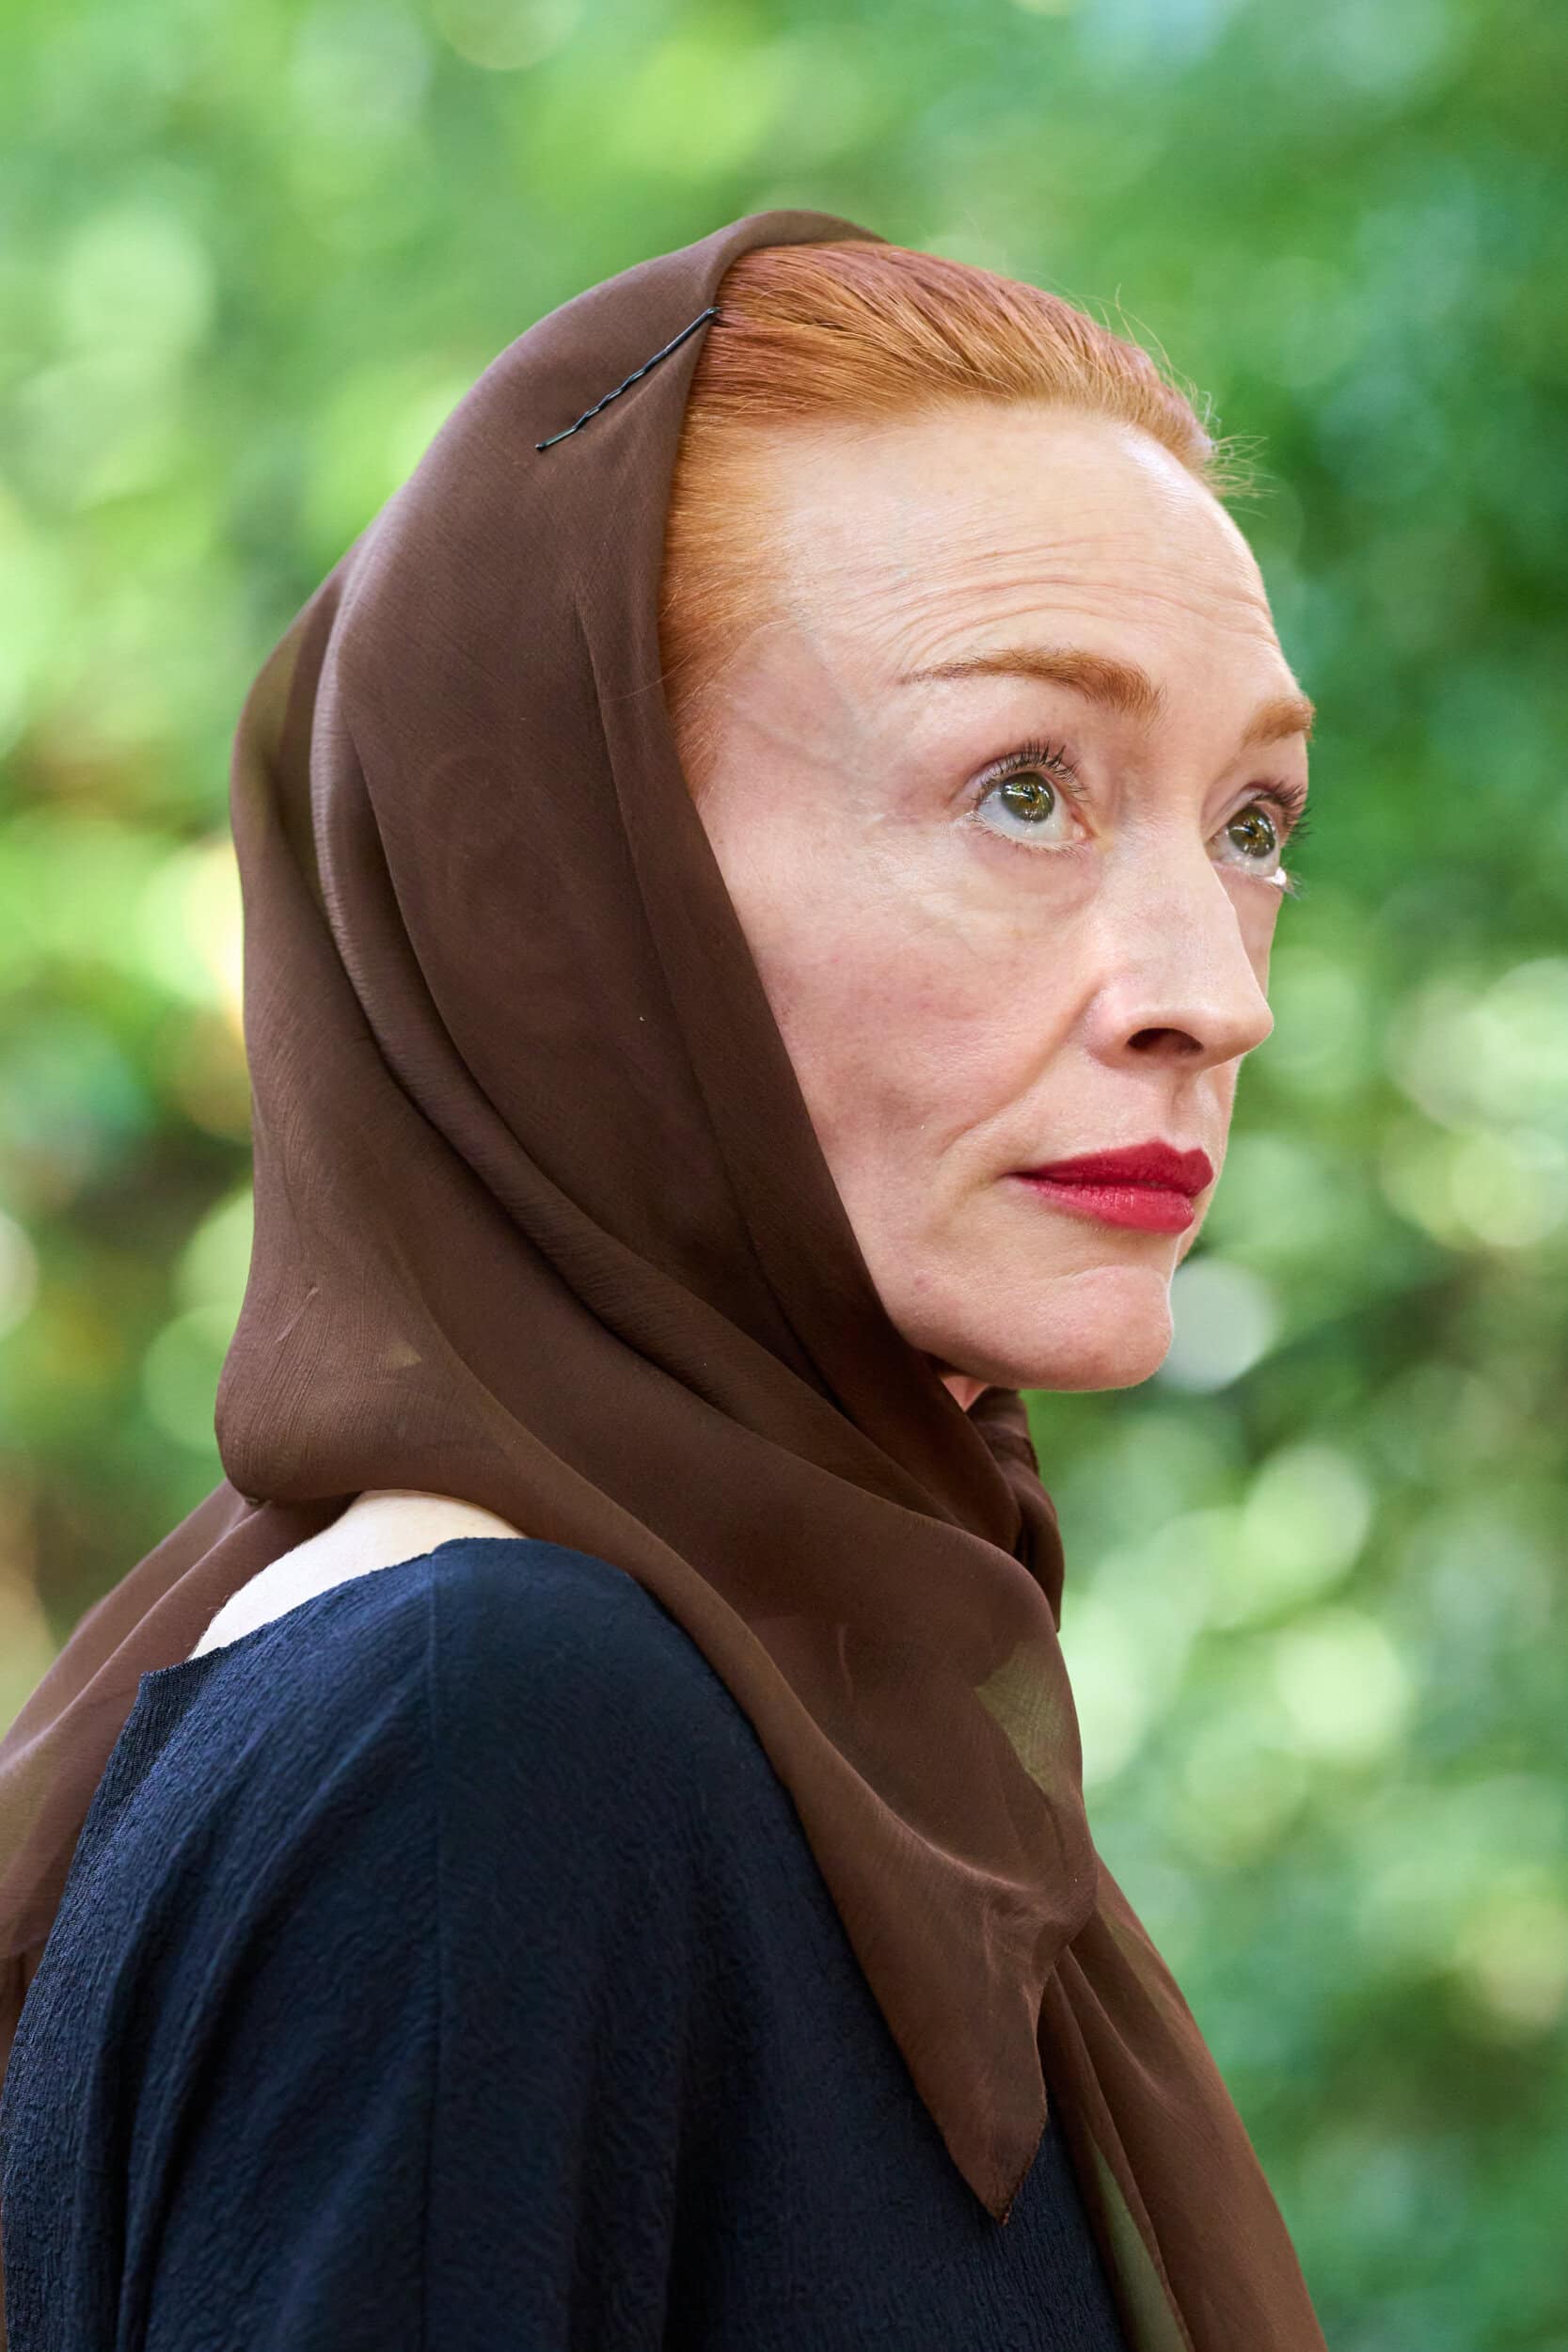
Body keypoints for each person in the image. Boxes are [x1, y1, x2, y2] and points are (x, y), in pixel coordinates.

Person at [0, 208, 1329, 2348]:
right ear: (574, 899)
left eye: (1254, 823)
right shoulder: (487, 1736)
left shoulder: (812, 1709)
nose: (1213, 990)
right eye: (1023, 789)